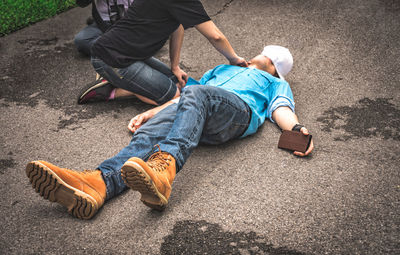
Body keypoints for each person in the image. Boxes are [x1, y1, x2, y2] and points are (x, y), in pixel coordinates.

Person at [26, 45, 314, 220]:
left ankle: (165, 170)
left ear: (275, 66)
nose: (258, 56)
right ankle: (98, 184)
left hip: (236, 114)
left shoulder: (275, 83)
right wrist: (154, 111)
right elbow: (189, 96)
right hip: (198, 109)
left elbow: (280, 110)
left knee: (198, 92)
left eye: (267, 56)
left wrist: (297, 130)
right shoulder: (223, 68)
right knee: (147, 135)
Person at [77, 0, 248, 106]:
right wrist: (234, 58)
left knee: (177, 80)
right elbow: (215, 36)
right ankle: (112, 90)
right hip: (110, 58)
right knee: (173, 96)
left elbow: (178, 26)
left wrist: (175, 66)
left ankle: (124, 81)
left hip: (132, 54)